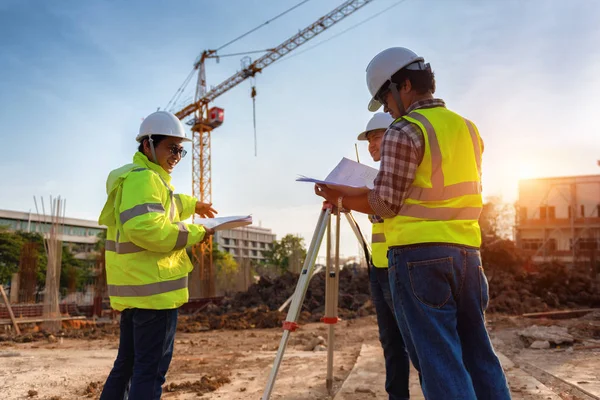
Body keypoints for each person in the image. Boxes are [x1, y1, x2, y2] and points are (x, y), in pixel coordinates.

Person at [315, 47, 511, 399]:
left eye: (385, 99)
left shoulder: (404, 131)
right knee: (479, 355)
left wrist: (343, 197)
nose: (387, 109)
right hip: (468, 255)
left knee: (440, 363)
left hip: (420, 260)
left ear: (403, 85)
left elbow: (386, 204)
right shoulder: (468, 128)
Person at [98, 110, 217, 400]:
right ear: (148, 144)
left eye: (181, 149)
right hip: (155, 295)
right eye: (171, 148)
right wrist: (199, 233)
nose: (177, 155)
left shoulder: (143, 178)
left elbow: (168, 204)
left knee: (126, 366)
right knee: (149, 372)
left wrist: (194, 205)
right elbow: (149, 229)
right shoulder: (145, 179)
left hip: (139, 290)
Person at [358, 112, 412, 400]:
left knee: (414, 341)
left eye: (375, 137)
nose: (371, 146)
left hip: (400, 265)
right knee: (391, 341)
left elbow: (385, 210)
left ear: (391, 136)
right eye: (369, 141)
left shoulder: (396, 174)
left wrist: (348, 198)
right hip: (380, 266)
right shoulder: (377, 178)